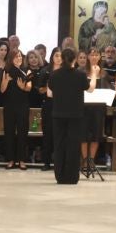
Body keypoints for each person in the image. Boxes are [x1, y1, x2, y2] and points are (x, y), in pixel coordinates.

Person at [47, 47, 84, 185]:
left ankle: (60, 176)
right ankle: (72, 177)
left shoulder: (55, 75)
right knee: (73, 145)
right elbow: (88, 87)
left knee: (59, 145)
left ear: (61, 59)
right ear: (74, 59)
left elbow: (50, 91)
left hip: (58, 114)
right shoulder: (80, 75)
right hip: (75, 115)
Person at [1, 48, 36, 170]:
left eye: (20, 56)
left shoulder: (27, 70)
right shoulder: (7, 70)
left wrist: (22, 87)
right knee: (9, 132)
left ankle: (22, 160)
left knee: (22, 131)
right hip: (9, 105)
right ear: (11, 58)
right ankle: (10, 159)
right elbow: (2, 90)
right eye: (16, 56)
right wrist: (5, 81)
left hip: (22, 105)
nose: (19, 58)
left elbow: (29, 87)